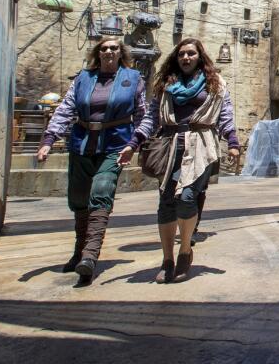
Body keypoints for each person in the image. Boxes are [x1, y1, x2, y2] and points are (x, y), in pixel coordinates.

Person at [120, 38, 240, 284]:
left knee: (187, 198)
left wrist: (234, 142)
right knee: (166, 202)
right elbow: (152, 117)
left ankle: (185, 251)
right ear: (176, 58)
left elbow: (225, 114)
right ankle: (167, 259)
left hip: (201, 146)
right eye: (182, 54)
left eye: (191, 54)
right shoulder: (166, 85)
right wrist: (133, 143)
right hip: (170, 144)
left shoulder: (215, 84)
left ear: (200, 57)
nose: (186, 58)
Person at [36, 38, 145, 285]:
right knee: (79, 199)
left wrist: (136, 143)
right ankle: (78, 251)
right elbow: (65, 109)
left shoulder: (134, 79)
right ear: (98, 53)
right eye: (104, 48)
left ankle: (90, 255)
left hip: (115, 145)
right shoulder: (83, 79)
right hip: (82, 145)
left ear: (121, 53)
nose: (108, 51)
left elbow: (141, 114)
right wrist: (48, 140)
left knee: (102, 191)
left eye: (114, 48)